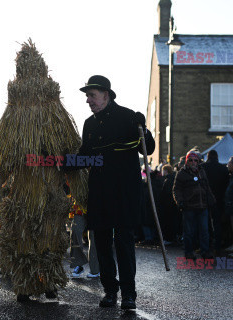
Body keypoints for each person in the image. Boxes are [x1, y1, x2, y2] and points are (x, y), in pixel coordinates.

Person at [68, 75, 155, 310]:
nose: (88, 100)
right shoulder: (89, 124)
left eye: (92, 95)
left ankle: (129, 294)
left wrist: (143, 129)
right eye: (87, 96)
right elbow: (85, 155)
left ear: (106, 94)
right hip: (100, 192)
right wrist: (60, 161)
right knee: (102, 243)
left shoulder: (128, 117)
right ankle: (109, 291)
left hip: (125, 191)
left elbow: (148, 149)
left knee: (124, 243)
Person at [173, 151, 215, 260]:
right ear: (187, 161)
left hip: (202, 206)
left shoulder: (202, 172)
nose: (193, 162)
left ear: (198, 161)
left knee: (204, 231)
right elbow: (176, 189)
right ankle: (189, 252)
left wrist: (211, 198)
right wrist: (180, 201)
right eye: (190, 160)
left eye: (195, 160)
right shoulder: (181, 173)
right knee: (189, 232)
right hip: (189, 206)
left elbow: (207, 187)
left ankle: (205, 251)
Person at [201, 150, 229, 255]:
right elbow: (227, 184)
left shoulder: (203, 167)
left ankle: (206, 246)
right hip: (219, 199)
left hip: (205, 199)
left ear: (208, 156)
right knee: (217, 224)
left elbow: (198, 181)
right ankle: (217, 247)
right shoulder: (223, 168)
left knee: (205, 224)